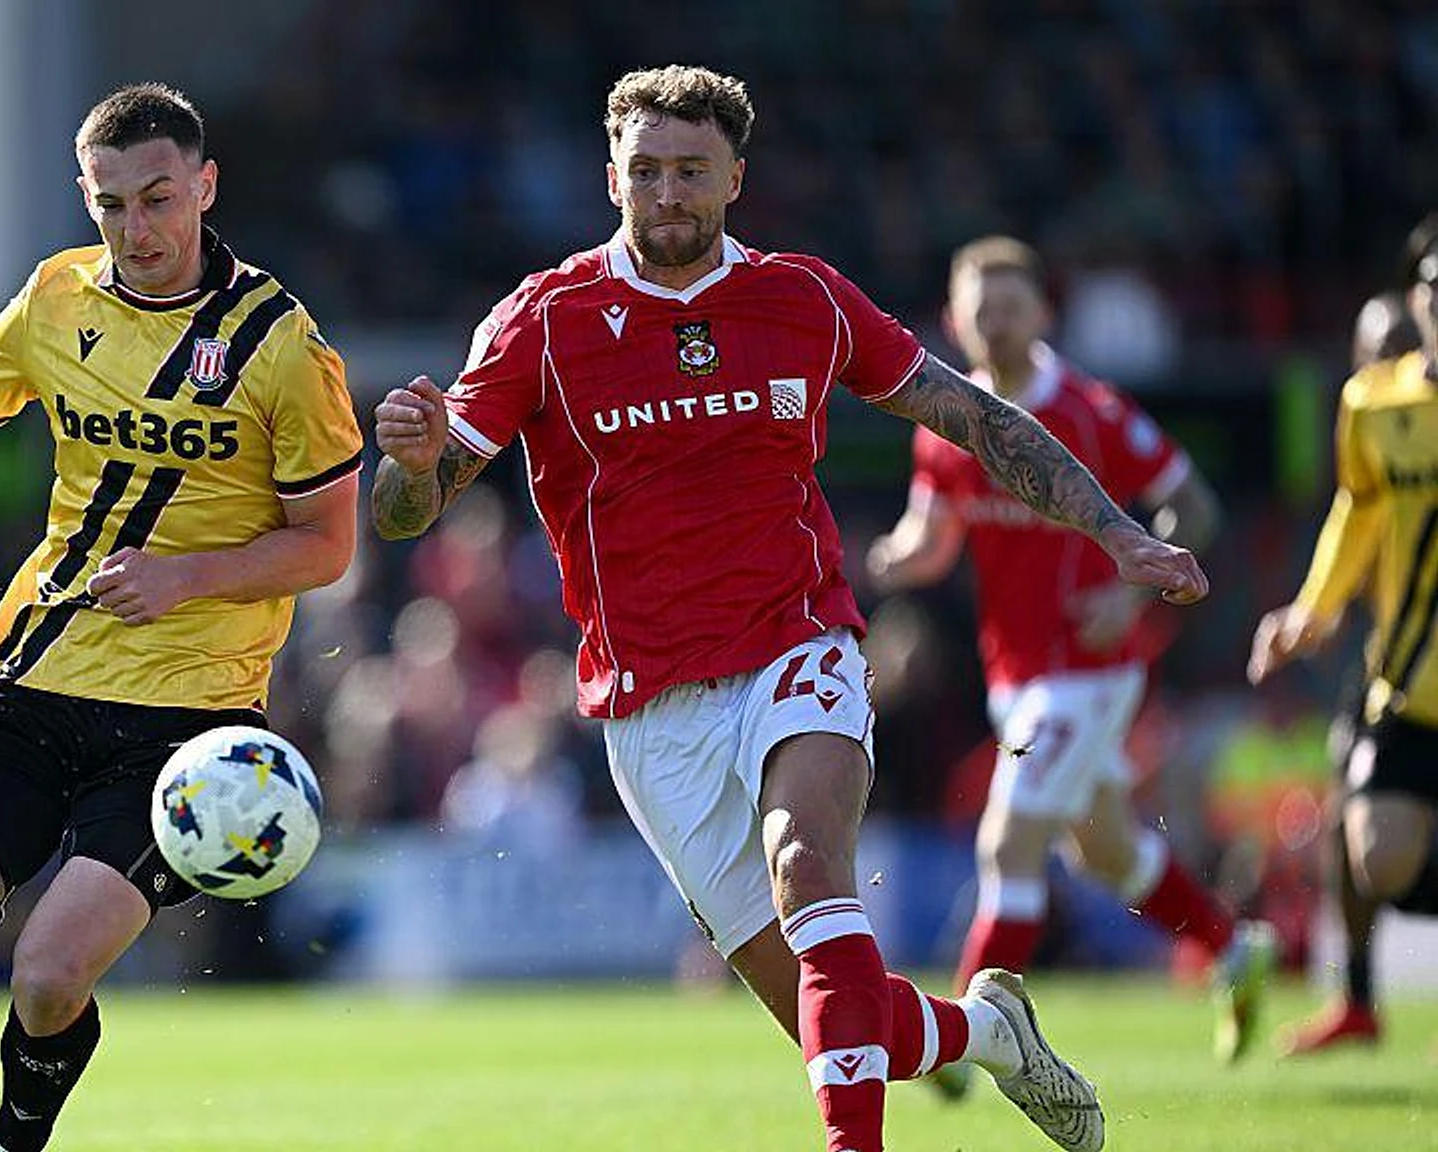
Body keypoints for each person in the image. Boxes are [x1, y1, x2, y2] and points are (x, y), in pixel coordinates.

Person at [373, 65, 1207, 1152]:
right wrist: (410, 467)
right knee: (837, 1015)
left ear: (735, 178)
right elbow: (409, 512)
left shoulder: (802, 298)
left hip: (796, 644)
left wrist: (1117, 532)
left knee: (807, 866)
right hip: (646, 705)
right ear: (610, 178)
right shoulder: (544, 319)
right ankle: (991, 1034)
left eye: (690, 171)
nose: (666, 192)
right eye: (644, 171)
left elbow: (972, 416)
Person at [0, 83, 362, 1152]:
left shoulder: (281, 344)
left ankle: (17, 1141)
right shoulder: (56, 297)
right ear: (85, 197)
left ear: (205, 186)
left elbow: (327, 543)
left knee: (48, 978)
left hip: (185, 719)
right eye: (110, 204)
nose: (136, 229)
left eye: (158, 199)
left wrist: (184, 579)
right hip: (31, 678)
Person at [865, 237, 1277, 1081]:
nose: (997, 324)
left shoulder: (1090, 410)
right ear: (955, 320)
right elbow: (932, 538)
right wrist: (891, 558)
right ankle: (1234, 946)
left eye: (1012, 307)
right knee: (1107, 852)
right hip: (1013, 677)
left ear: (1043, 313)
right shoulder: (947, 420)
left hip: (1091, 673)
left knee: (1007, 843)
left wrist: (1132, 595)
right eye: (982, 310)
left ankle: (965, 1038)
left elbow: (1193, 505)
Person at [1251, 216, 1438, 1058]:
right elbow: (1355, 513)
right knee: (1377, 855)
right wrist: (1311, 610)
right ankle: (1356, 996)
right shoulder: (1375, 404)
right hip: (1402, 667)